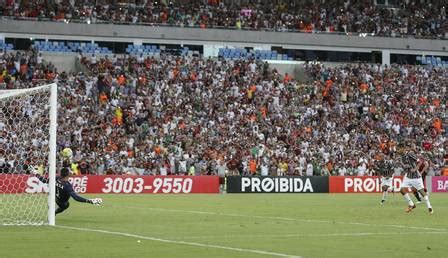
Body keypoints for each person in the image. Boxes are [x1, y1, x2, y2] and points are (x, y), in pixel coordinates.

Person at [35, 167, 102, 214]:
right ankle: (54, 213)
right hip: (62, 202)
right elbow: (76, 198)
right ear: (68, 175)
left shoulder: (56, 178)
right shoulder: (67, 185)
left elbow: (44, 180)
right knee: (66, 205)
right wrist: (90, 201)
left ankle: (53, 212)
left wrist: (36, 174)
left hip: (54, 198)